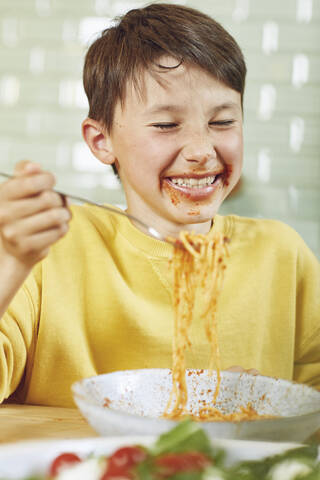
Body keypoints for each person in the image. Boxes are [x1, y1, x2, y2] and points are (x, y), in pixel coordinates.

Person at [0, 3, 319, 408]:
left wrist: (266, 405)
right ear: (101, 141)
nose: (202, 151)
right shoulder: (48, 253)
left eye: (222, 122)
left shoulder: (282, 255)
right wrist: (9, 261)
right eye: (166, 125)